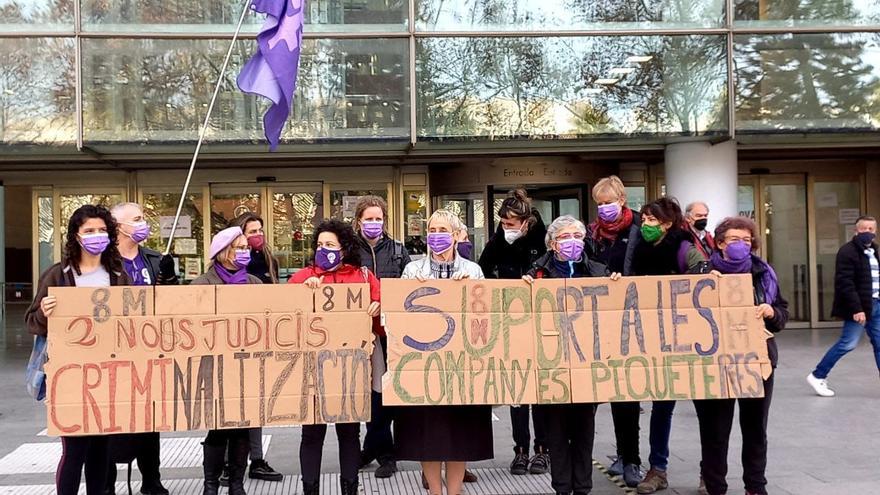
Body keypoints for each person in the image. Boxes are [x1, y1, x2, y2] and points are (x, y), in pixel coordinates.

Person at [26, 205, 132, 495]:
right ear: (76, 236)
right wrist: (45, 313)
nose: (96, 236)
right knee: (74, 451)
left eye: (102, 230)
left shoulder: (118, 275)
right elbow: (32, 322)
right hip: (70, 377)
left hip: (109, 374)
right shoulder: (57, 275)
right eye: (89, 231)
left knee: (101, 450)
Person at [395, 209, 492, 495]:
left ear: (457, 235)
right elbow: (399, 314)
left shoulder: (473, 271)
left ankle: (455, 491)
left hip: (461, 366)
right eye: (432, 230)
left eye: (443, 231)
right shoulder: (413, 271)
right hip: (424, 365)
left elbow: (486, 316)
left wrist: (467, 290)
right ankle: (434, 491)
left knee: (458, 434)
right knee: (429, 435)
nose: (436, 236)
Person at [694, 216, 788, 495]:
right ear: (720, 242)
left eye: (747, 241)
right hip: (715, 363)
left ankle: (756, 486)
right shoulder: (702, 272)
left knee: (755, 428)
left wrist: (772, 313)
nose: (741, 245)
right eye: (734, 240)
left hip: (757, 362)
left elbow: (782, 313)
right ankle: (715, 486)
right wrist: (704, 289)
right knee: (714, 431)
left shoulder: (764, 274)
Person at [289, 219, 382, 495]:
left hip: (349, 370)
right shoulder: (302, 277)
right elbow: (283, 320)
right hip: (311, 371)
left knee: (349, 434)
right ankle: (310, 489)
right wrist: (303, 295)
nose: (323, 250)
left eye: (330, 245)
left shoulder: (363, 278)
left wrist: (378, 309)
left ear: (344, 248)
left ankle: (350, 489)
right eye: (319, 245)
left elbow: (382, 328)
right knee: (312, 435)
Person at [524, 215, 614, 495]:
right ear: (552, 244)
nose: (572, 242)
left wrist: (616, 286)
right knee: (557, 434)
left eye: (577, 235)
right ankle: (562, 488)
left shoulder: (599, 271)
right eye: (564, 237)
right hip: (552, 368)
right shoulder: (537, 274)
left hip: (587, 367)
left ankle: (583, 488)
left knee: (584, 433)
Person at [631, 197, 706, 495]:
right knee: (661, 407)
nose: (646, 225)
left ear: (667, 223)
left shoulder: (686, 249)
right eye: (644, 220)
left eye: (652, 220)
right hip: (660, 342)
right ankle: (657, 469)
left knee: (706, 410)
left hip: (692, 338)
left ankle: (708, 471)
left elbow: (703, 285)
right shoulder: (640, 251)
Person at [105, 202, 178, 495]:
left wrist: (170, 278)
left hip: (149, 351)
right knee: (109, 420)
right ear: (118, 226)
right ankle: (106, 482)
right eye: (136, 219)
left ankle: (152, 479)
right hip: (113, 351)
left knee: (149, 419)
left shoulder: (153, 259)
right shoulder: (104, 261)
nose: (142, 223)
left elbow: (171, 303)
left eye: (142, 218)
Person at [478, 189, 550, 476]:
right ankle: (520, 450)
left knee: (541, 394)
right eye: (503, 223)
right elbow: (482, 271)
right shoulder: (498, 241)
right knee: (518, 391)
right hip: (511, 323)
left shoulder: (543, 241)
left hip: (541, 324)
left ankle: (543, 451)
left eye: (511, 224)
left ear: (525, 221)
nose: (507, 229)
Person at [192, 226, 263, 495]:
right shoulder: (203, 284)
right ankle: (211, 485)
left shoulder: (255, 284)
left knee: (242, 429)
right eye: (239, 248)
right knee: (219, 429)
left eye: (247, 248)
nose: (246, 252)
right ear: (223, 252)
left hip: (247, 366)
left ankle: (237, 484)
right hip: (214, 367)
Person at [584, 176, 643, 488]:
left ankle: (630, 459)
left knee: (626, 395)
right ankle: (583, 460)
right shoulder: (591, 235)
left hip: (627, 323)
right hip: (594, 324)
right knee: (590, 394)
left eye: (610, 201)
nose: (605, 208)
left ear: (622, 199)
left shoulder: (638, 233)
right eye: (600, 203)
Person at [221, 213, 283, 484]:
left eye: (260, 229)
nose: (257, 235)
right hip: (229, 343)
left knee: (255, 404)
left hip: (258, 341)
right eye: (251, 231)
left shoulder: (269, 261)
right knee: (227, 407)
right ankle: (227, 463)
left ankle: (256, 459)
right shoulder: (222, 270)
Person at [352, 195, 411, 479]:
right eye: (369, 218)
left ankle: (383, 453)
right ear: (358, 221)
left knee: (385, 393)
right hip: (358, 333)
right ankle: (376, 449)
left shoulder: (398, 251)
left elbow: (408, 290)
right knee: (365, 393)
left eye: (378, 219)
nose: (374, 223)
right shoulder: (349, 251)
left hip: (391, 332)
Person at [807, 216, 880, 397]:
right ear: (856, 231)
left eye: (871, 229)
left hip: (876, 304)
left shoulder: (875, 251)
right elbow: (845, 283)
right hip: (860, 308)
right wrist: (857, 309)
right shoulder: (847, 251)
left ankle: (818, 375)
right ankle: (817, 375)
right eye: (864, 229)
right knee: (847, 344)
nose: (868, 232)